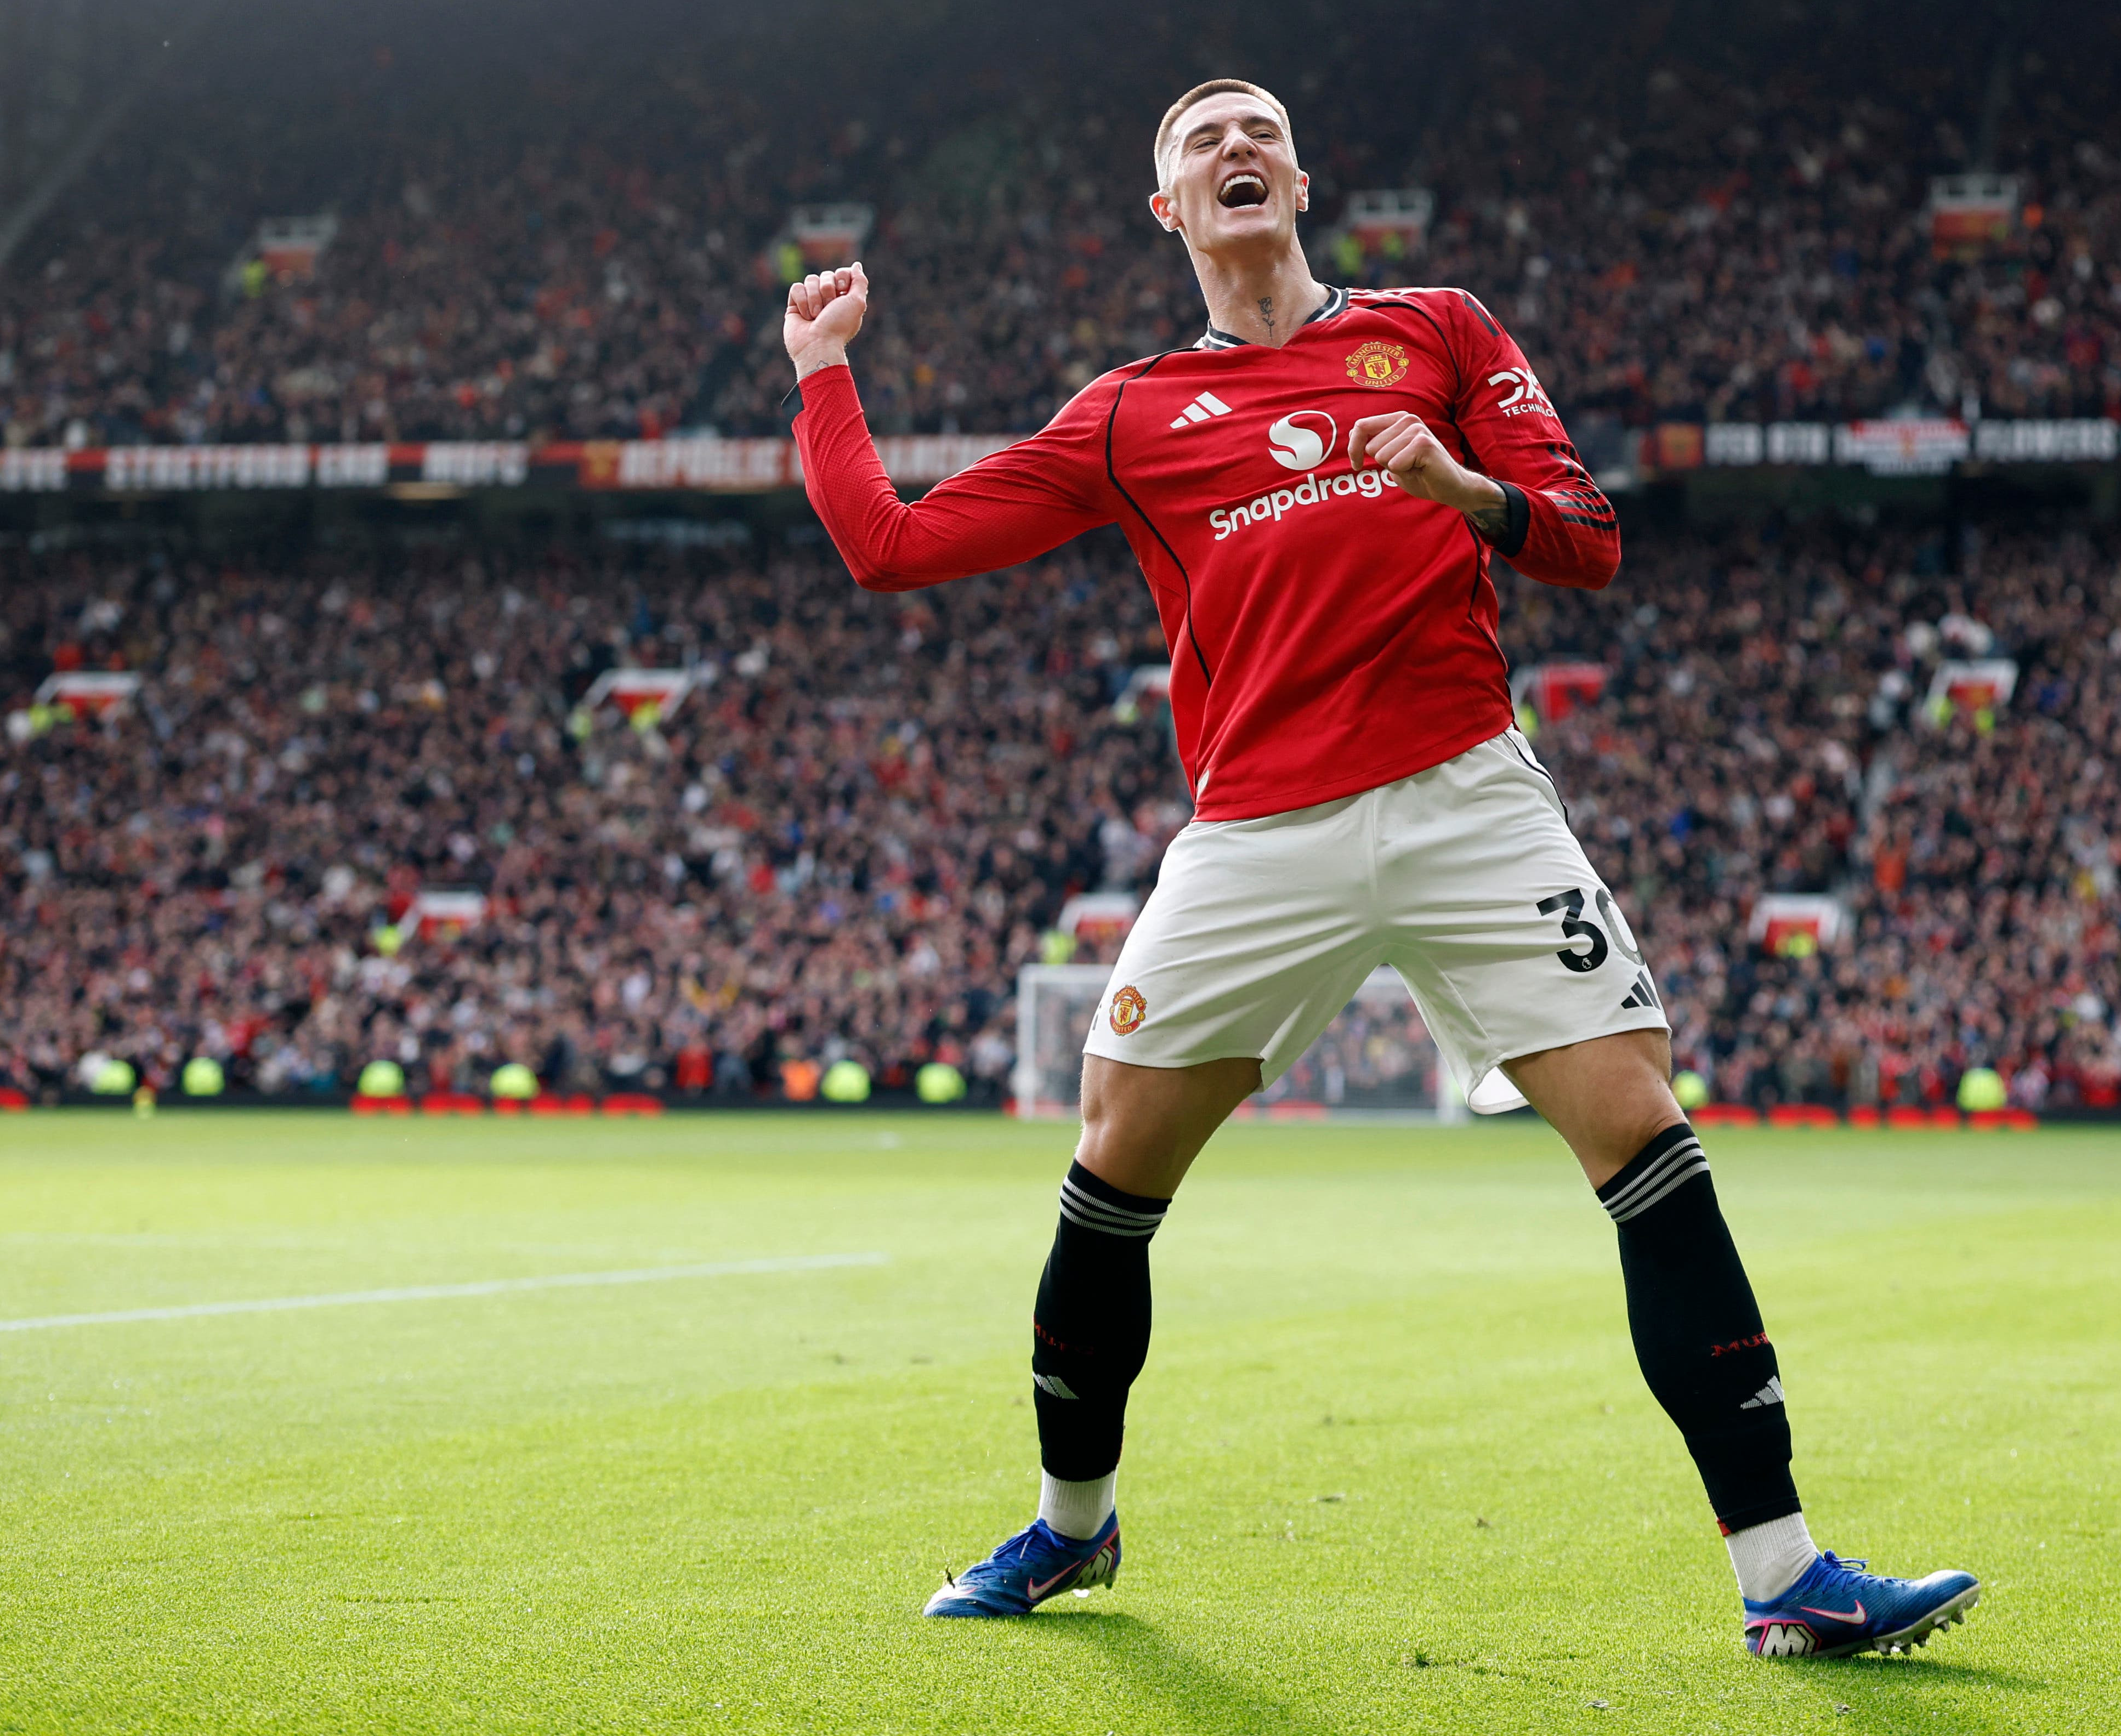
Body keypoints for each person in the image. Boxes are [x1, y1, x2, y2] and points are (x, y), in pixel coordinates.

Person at [784, 80, 1980, 1659]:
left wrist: (1462, 495)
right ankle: (1073, 1530)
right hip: (1256, 834)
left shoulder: (1439, 330)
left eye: (1257, 130)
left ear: (1298, 177)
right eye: (1199, 141)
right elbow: (887, 544)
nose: (1234, 148)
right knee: (1110, 1174)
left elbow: (1587, 534)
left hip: (1464, 801)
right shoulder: (1132, 413)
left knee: (1645, 1135)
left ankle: (1786, 1576)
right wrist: (824, 376)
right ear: (1168, 211)